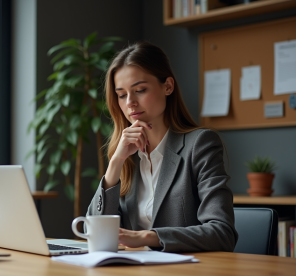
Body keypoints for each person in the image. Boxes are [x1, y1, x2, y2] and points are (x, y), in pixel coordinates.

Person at [87, 42, 238, 252]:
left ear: (167, 86)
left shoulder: (200, 144)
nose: (130, 102)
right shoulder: (126, 155)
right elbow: (96, 234)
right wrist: (115, 164)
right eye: (121, 95)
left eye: (140, 90)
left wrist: (147, 237)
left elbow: (222, 233)